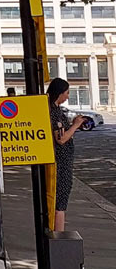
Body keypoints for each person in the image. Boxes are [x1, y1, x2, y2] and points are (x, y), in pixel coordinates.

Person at [47, 77, 85, 232]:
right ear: (59, 93)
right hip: (61, 162)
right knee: (61, 201)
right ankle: (59, 235)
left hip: (63, 160)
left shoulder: (54, 110)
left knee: (60, 198)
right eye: (67, 93)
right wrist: (75, 126)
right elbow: (61, 138)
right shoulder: (54, 112)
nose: (68, 96)